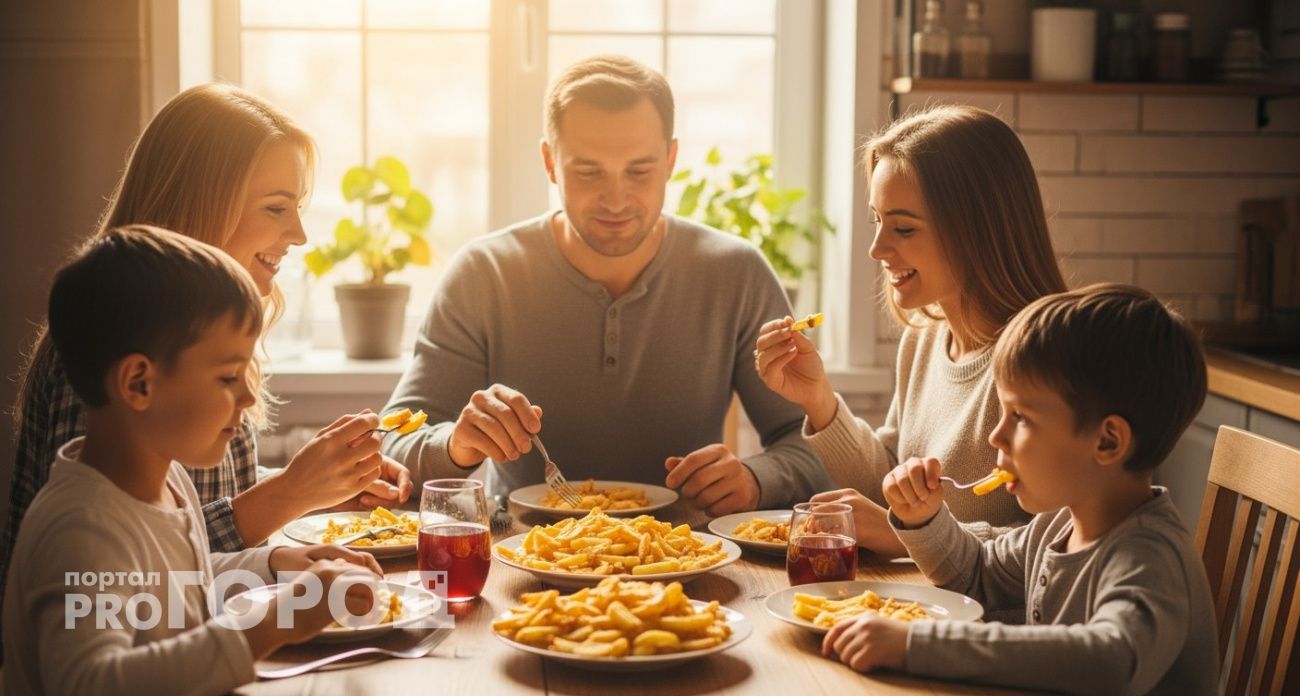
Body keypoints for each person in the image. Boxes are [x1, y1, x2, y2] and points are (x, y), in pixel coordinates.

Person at [5, 84, 412, 615]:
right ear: (201, 205)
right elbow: (113, 585)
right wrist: (286, 495)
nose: (300, 234)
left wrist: (322, 488)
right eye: (276, 208)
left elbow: (186, 521)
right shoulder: (109, 350)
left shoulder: (194, 329)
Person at [382, 55, 830, 514]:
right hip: (516, 556)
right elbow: (389, 444)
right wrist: (456, 444)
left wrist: (758, 479)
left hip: (689, 560)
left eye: (639, 171)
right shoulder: (483, 274)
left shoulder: (736, 273)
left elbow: (821, 446)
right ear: (549, 162)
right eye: (588, 172)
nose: (616, 200)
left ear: (671, 159)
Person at [4, 226, 386, 695]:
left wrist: (276, 564)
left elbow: (176, 591)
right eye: (228, 377)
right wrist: (276, 620)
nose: (248, 397)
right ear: (138, 384)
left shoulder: (168, 482)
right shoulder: (83, 529)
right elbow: (91, 682)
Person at [821, 283, 1217, 694]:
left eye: (1021, 417)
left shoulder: (1149, 557)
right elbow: (977, 573)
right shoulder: (1057, 525)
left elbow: (1109, 662)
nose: (996, 436)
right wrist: (924, 519)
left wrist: (916, 644)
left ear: (1107, 442)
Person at [755, 105, 1066, 555]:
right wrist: (817, 399)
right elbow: (893, 489)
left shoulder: (1048, 359)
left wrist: (908, 535)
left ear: (978, 229)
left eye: (902, 227)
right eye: (877, 221)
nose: (877, 249)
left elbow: (1063, 545)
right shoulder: (923, 339)